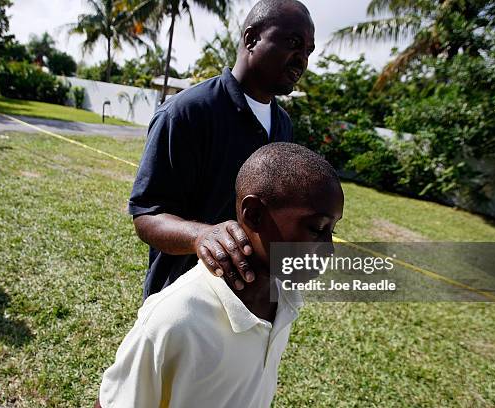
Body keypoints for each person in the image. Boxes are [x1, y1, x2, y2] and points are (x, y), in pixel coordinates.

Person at [97, 143, 344, 408]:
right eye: (317, 229)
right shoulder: (175, 319)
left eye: (332, 229)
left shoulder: (284, 298)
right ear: (254, 215)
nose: (328, 248)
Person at [129, 0, 315, 299]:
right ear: (251, 39)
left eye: (308, 51)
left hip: (251, 301)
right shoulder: (186, 112)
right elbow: (147, 215)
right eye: (294, 43)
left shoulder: (283, 125)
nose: (302, 59)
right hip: (184, 301)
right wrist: (202, 235)